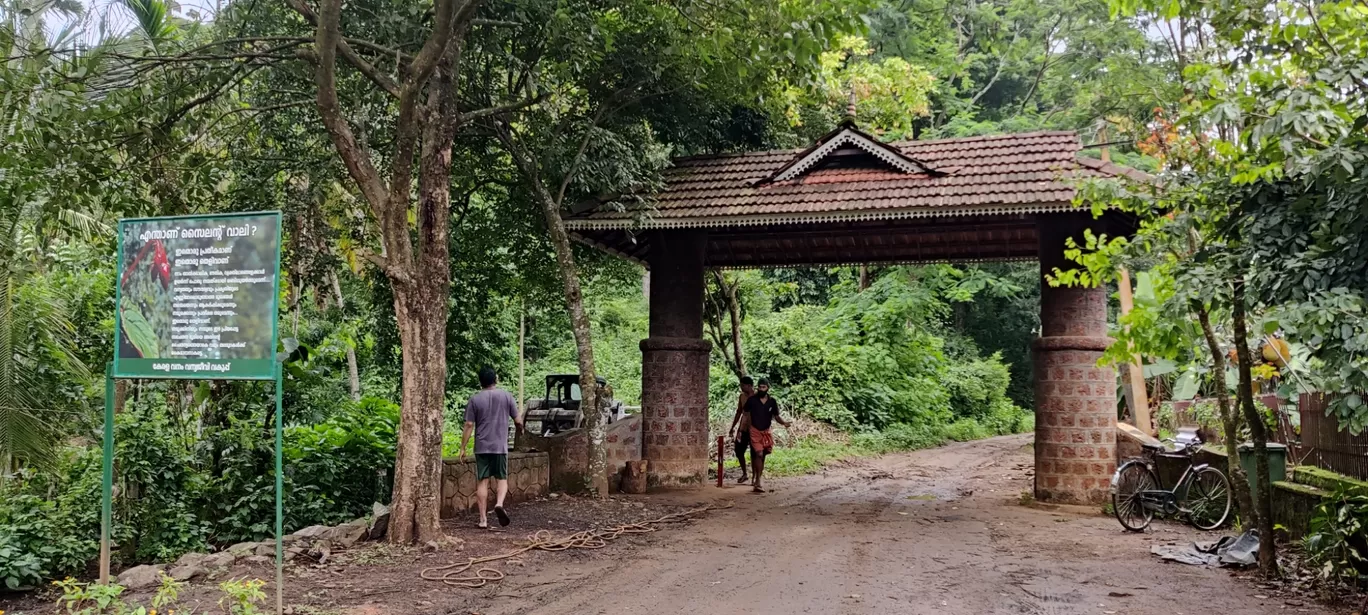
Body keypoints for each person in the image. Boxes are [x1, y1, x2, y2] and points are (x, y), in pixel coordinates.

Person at [460, 366, 523, 529]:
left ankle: (482, 520)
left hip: (481, 447)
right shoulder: (507, 396)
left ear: (480, 381)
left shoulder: (475, 400)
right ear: (496, 379)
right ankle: (499, 504)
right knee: (502, 479)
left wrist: (462, 448)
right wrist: (520, 431)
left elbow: (468, 424)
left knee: (482, 482)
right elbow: (518, 421)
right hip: (500, 447)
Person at [744, 378, 789, 494]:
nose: (761, 389)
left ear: (768, 388)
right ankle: (758, 481)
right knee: (759, 453)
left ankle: (758, 477)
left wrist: (784, 423)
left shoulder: (772, 402)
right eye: (759, 387)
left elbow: (776, 416)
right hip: (754, 430)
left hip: (766, 431)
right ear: (757, 388)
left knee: (763, 454)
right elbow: (745, 413)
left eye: (763, 387)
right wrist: (745, 427)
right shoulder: (752, 400)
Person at [727, 376, 756, 483]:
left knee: (755, 453)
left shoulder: (758, 397)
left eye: (743, 385)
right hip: (743, 427)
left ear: (749, 386)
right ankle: (745, 474)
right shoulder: (742, 397)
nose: (741, 387)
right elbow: (739, 412)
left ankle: (755, 477)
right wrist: (733, 427)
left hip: (755, 428)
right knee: (738, 450)